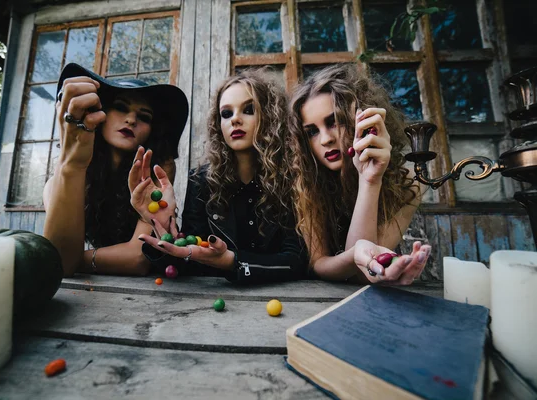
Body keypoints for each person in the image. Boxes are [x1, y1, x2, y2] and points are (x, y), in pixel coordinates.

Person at [131, 69, 308, 283]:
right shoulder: (200, 180)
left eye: (249, 110)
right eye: (226, 113)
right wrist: (165, 228)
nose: (235, 120)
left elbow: (296, 260)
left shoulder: (292, 177)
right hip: (211, 306)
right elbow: (187, 260)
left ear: (271, 115)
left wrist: (233, 262)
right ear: (218, 123)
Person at [287, 64, 431, 285]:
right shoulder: (306, 181)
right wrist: (355, 255)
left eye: (334, 122)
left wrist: (370, 179)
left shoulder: (408, 181)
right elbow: (319, 263)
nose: (325, 139)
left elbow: (363, 272)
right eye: (312, 132)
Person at [43, 63, 188, 277]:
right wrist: (70, 163)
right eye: (121, 107)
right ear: (100, 113)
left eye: (144, 117)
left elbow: (138, 258)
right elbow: (59, 261)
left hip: (156, 285)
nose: (131, 119)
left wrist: (73, 260)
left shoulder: (158, 168)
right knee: (51, 186)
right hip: (94, 289)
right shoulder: (64, 177)